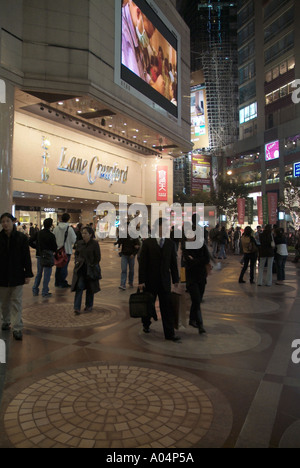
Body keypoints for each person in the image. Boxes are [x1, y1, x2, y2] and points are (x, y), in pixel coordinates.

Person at [138, 218, 181, 342]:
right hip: (150, 281)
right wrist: (141, 281)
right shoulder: (147, 243)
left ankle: (170, 333)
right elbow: (143, 264)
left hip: (164, 281)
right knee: (149, 305)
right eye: (165, 226)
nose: (167, 228)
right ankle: (146, 324)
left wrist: (175, 279)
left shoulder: (170, 243)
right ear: (158, 227)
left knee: (166, 308)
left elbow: (173, 263)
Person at [0, 213, 33, 340]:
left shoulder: (21, 238)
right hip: (2, 276)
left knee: (16, 302)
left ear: (13, 222)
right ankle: (6, 321)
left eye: (7, 221)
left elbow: (26, 257)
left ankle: (17, 327)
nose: (5, 224)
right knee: (4, 302)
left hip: (17, 275)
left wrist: (28, 273)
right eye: (3, 221)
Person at [121, 0, 165, 95]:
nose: (147, 42)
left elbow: (142, 71)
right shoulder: (123, 37)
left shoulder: (134, 33)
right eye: (147, 35)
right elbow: (133, 94)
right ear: (138, 13)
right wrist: (156, 90)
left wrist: (150, 82)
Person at [182, 225, 210, 334]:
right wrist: (198, 261)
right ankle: (200, 325)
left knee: (196, 300)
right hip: (191, 279)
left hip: (201, 277)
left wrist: (194, 260)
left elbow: (206, 259)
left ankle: (192, 319)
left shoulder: (202, 245)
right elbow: (187, 264)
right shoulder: (185, 247)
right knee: (197, 300)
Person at [71, 227, 101, 315]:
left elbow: (98, 257)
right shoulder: (80, 243)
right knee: (79, 287)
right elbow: (76, 253)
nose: (83, 235)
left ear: (90, 234)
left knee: (90, 288)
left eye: (85, 233)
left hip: (90, 270)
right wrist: (77, 260)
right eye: (82, 233)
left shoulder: (95, 244)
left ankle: (89, 305)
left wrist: (92, 264)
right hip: (81, 269)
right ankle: (77, 307)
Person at [32, 218, 57, 298]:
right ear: (50, 225)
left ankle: (35, 290)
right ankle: (44, 292)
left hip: (39, 255)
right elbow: (54, 247)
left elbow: (30, 241)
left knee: (39, 273)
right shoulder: (51, 235)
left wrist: (36, 247)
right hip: (48, 256)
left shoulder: (39, 233)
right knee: (47, 274)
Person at [53, 213, 77, 288]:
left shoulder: (56, 228)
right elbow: (74, 240)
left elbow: (53, 238)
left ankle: (57, 282)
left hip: (57, 250)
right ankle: (62, 282)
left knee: (58, 266)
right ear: (68, 219)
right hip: (66, 251)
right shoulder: (69, 229)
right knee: (64, 267)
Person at [118, 225, 140, 290]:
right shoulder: (124, 236)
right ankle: (122, 284)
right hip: (124, 255)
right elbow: (119, 242)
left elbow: (137, 247)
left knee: (131, 270)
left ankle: (130, 282)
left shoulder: (134, 237)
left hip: (131, 256)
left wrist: (133, 254)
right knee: (124, 270)